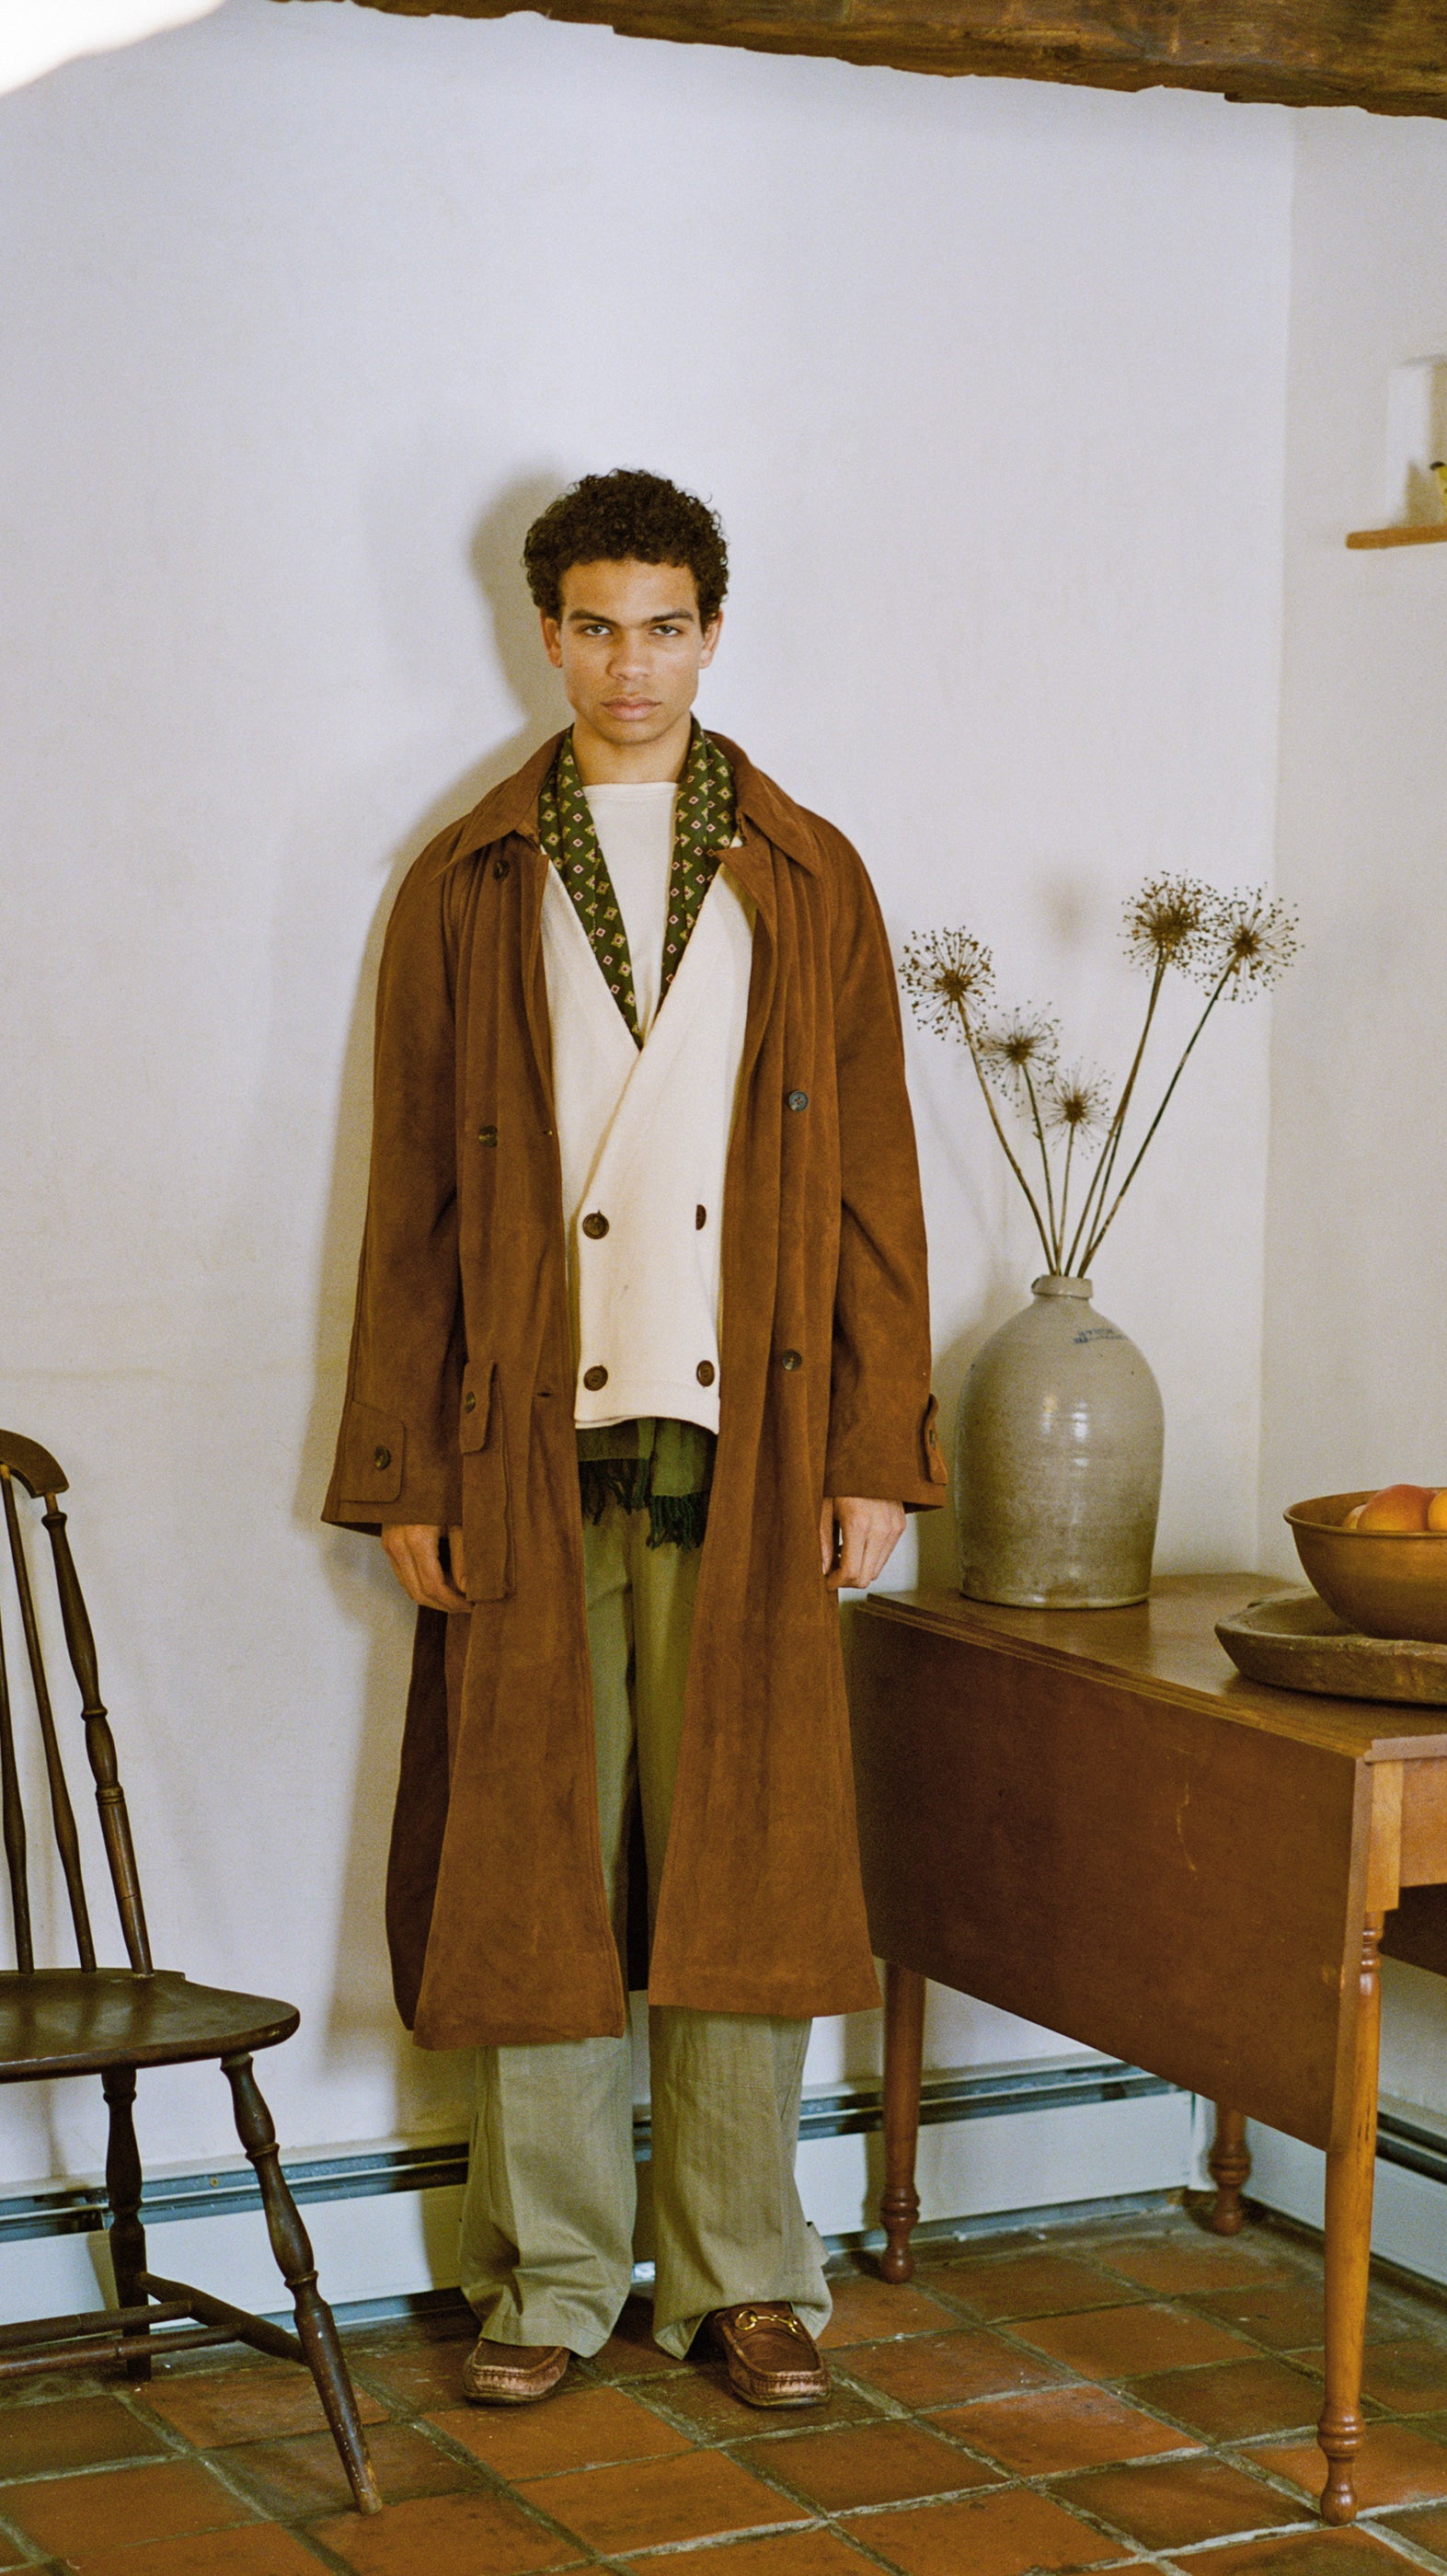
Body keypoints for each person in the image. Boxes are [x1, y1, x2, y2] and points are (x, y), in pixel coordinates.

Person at [323, 469, 945, 2409]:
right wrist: (405, 1468)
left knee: (747, 1856)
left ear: (715, 632)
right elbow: (413, 1193)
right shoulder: (471, 876)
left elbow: (876, 1195)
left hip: (747, 1436)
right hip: (522, 1437)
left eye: (664, 623)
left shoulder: (808, 871)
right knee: (535, 1865)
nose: (629, 662)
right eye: (594, 624)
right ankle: (554, 2272)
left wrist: (874, 1446)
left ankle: (751, 2275)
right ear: (546, 634)